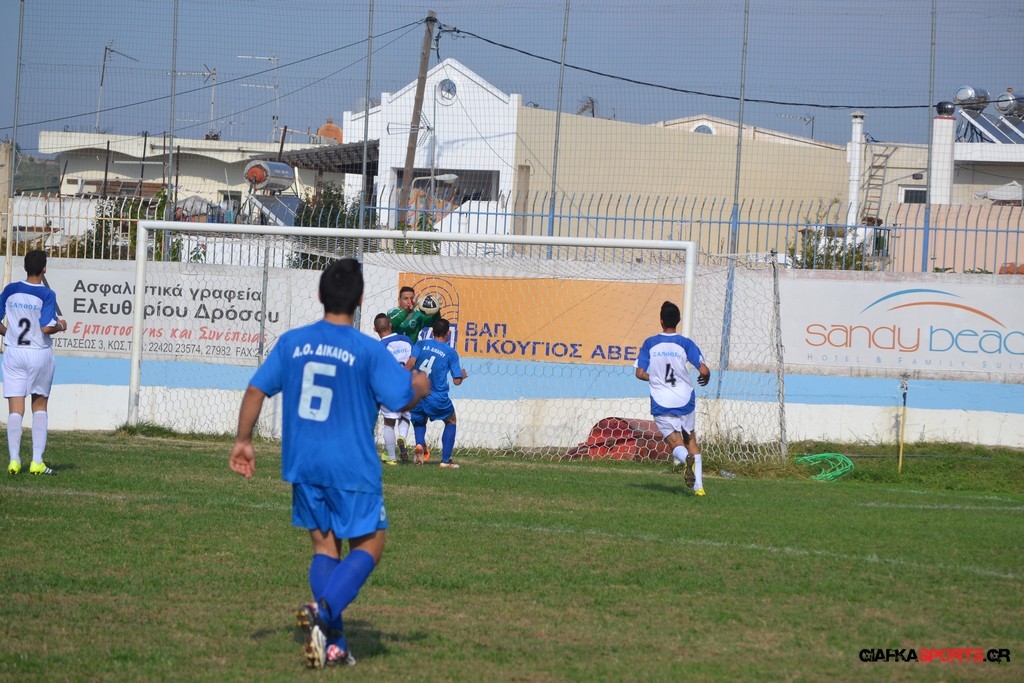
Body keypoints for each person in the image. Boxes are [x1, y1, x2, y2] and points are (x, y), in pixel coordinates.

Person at [229, 259, 429, 668]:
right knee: (370, 545)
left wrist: (244, 440)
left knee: (325, 548)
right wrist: (420, 387)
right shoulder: (367, 350)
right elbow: (399, 398)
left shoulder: (292, 342)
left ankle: (333, 643)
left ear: (320, 295)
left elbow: (255, 390)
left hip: (304, 462)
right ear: (360, 300)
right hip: (351, 464)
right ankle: (322, 610)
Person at [1, 250, 68, 476]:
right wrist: (61, 325)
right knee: (39, 406)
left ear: (25, 267)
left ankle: (14, 461)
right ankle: (37, 461)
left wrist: (9, 334)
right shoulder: (47, 294)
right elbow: (46, 327)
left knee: (15, 409)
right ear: (44, 269)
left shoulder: (11, 290)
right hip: (38, 353)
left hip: (14, 353)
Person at [634, 301, 711, 496]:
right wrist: (706, 377)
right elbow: (703, 370)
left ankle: (686, 460)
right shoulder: (685, 343)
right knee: (690, 440)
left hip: (662, 400)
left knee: (675, 443)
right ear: (678, 320)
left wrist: (655, 378)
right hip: (685, 399)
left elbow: (639, 373)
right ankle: (699, 489)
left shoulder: (650, 343)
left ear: (661, 321)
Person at [404, 317, 467, 469]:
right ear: (448, 333)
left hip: (417, 393)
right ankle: (445, 460)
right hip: (436, 396)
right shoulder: (450, 352)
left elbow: (411, 363)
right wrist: (462, 375)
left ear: (432, 332)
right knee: (451, 420)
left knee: (419, 420)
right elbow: (457, 381)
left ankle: (419, 445)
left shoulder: (420, 344)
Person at [373, 313, 413, 466]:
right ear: (390, 325)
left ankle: (391, 457)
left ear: (375, 330)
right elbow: (413, 360)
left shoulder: (379, 347)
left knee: (389, 422)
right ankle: (402, 436)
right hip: (407, 384)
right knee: (405, 416)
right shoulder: (406, 340)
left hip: (389, 388)